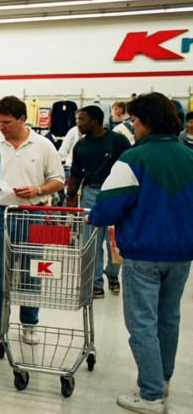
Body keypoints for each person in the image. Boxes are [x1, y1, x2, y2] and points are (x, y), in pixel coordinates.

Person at [85, 92, 193, 414]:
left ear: (147, 121)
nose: (132, 126)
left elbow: (109, 207)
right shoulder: (189, 156)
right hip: (181, 253)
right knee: (168, 318)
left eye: (133, 120)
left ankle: (150, 395)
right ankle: (162, 381)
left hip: (143, 253)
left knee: (142, 322)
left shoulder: (133, 158)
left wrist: (93, 217)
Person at [0, 96, 65, 351]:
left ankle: (29, 323)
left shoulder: (43, 145)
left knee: (32, 271)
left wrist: (37, 189)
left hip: (33, 214)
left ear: (22, 119)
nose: (1, 127)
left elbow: (58, 180)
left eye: (6, 122)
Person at [66, 106, 131, 298]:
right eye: (76, 119)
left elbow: (131, 167)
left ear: (95, 121)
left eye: (82, 119)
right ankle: (95, 283)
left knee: (114, 239)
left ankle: (112, 272)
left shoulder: (118, 141)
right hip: (90, 192)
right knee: (91, 240)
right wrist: (70, 200)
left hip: (115, 193)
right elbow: (75, 175)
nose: (78, 123)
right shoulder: (80, 146)